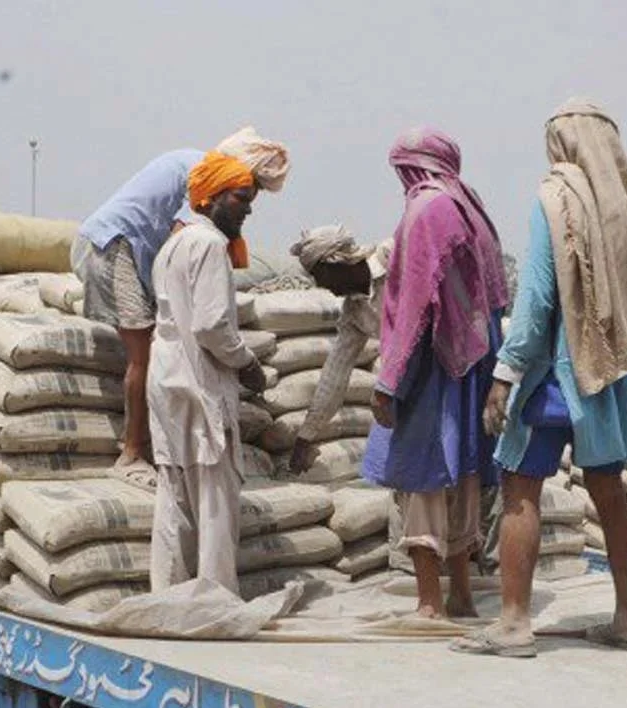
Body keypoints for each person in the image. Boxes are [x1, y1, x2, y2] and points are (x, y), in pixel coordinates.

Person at [456, 99, 627, 659]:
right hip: (611, 374)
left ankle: (515, 623)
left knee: (521, 489)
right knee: (610, 493)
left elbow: (538, 297)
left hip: (554, 376)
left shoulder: (556, 198)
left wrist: (505, 373)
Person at [73, 130, 288, 484]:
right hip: (113, 246)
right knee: (144, 353)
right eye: (246, 194)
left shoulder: (197, 165)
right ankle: (131, 454)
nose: (250, 206)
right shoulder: (202, 174)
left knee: (157, 345)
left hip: (132, 251)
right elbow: (182, 242)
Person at [368, 128, 509, 620]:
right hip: (475, 360)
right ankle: (463, 594)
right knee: (464, 473)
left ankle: (429, 602)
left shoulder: (426, 209)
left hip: (434, 365)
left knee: (423, 476)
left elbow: (414, 303)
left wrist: (390, 381)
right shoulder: (469, 204)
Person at [146, 152, 267, 594]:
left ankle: (168, 594)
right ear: (211, 198)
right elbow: (212, 325)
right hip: (200, 381)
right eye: (241, 198)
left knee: (175, 494)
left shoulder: (171, 246)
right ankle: (215, 597)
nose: (249, 209)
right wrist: (248, 365)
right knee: (215, 494)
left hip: (167, 380)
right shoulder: (210, 245)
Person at [286, 224, 392, 475]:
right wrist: (305, 436)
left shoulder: (393, 256)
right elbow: (335, 374)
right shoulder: (355, 312)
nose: (321, 285)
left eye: (319, 275)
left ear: (335, 263)